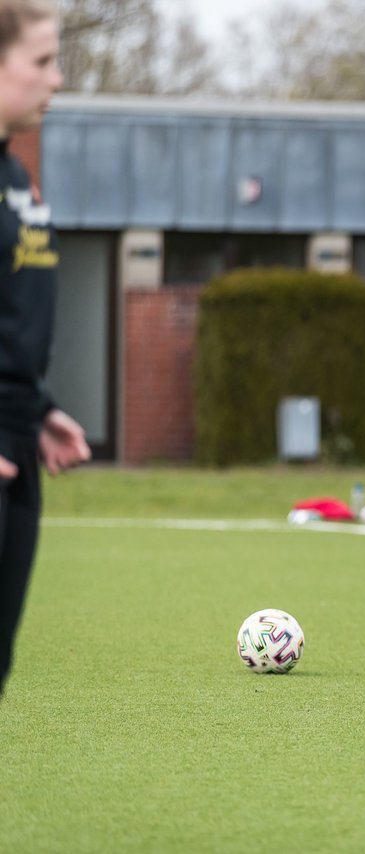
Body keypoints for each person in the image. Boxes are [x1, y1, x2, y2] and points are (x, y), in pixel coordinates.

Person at [0, 0, 89, 698]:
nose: (56, 79)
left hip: (18, 440)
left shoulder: (13, 180)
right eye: (40, 61)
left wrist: (41, 406)